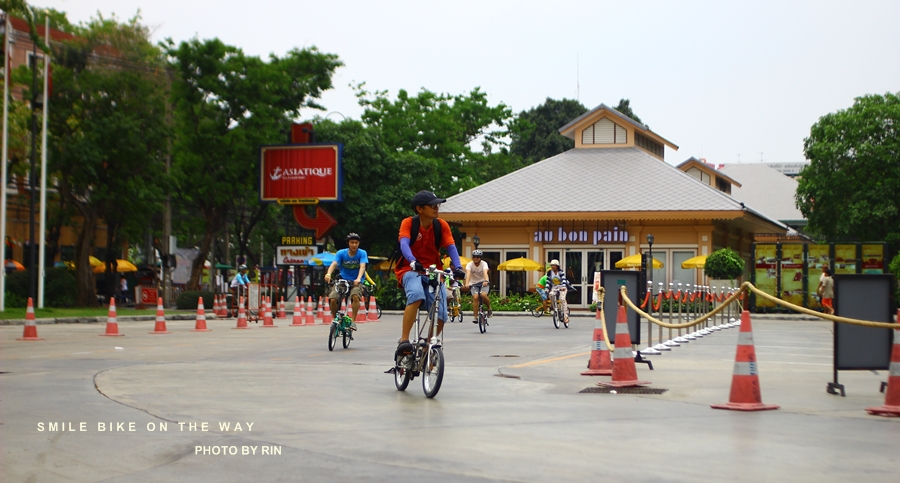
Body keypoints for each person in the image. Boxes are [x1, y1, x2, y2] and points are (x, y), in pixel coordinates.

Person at [392, 190, 465, 362]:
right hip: (410, 269)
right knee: (416, 295)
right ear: (419, 209)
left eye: (437, 205)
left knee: (442, 314)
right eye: (432, 205)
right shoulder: (409, 223)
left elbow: (451, 247)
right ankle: (404, 340)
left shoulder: (441, 225)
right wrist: (412, 260)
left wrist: (458, 267)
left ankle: (427, 345)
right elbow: (404, 243)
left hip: (433, 271)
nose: (436, 208)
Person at [324, 233, 369, 330]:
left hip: (356, 281)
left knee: (355, 296)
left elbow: (362, 266)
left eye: (356, 243)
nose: (354, 245)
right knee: (333, 299)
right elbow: (334, 264)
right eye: (352, 242)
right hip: (343, 280)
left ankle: (353, 321)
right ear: (348, 243)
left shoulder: (362, 253)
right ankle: (336, 320)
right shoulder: (341, 253)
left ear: (358, 243)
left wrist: (358, 278)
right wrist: (328, 274)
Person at [465, 249, 492, 320]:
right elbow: (468, 274)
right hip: (473, 284)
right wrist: (467, 283)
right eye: (474, 257)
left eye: (477, 257)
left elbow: (485, 273)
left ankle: (489, 309)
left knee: (483, 295)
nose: (476, 258)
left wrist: (486, 280)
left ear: (480, 258)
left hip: (483, 282)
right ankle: (475, 317)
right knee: (475, 297)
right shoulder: (469, 264)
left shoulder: (484, 264)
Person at [545, 259, 574, 323]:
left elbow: (564, 280)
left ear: (557, 266)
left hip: (562, 287)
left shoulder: (560, 272)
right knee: (551, 295)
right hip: (554, 287)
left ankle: (565, 317)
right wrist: (547, 288)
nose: (552, 267)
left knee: (562, 299)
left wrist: (563, 287)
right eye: (551, 265)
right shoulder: (549, 273)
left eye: (554, 265)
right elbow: (548, 281)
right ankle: (555, 308)